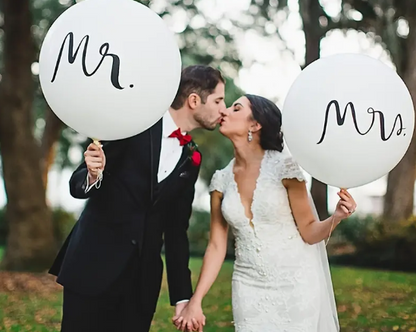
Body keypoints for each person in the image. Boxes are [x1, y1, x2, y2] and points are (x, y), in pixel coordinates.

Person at [49, 65, 226, 332]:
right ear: (193, 100)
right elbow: (77, 183)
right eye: (218, 100)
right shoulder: (134, 123)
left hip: (140, 286)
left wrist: (183, 298)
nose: (223, 109)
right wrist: (93, 174)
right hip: (92, 268)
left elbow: (177, 231)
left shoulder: (191, 158)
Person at [174, 94, 357, 332]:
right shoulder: (221, 180)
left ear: (255, 124)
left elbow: (310, 232)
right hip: (247, 286)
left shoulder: (285, 168)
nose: (225, 112)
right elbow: (216, 247)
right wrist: (195, 301)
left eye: (236, 108)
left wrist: (337, 217)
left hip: (296, 284)